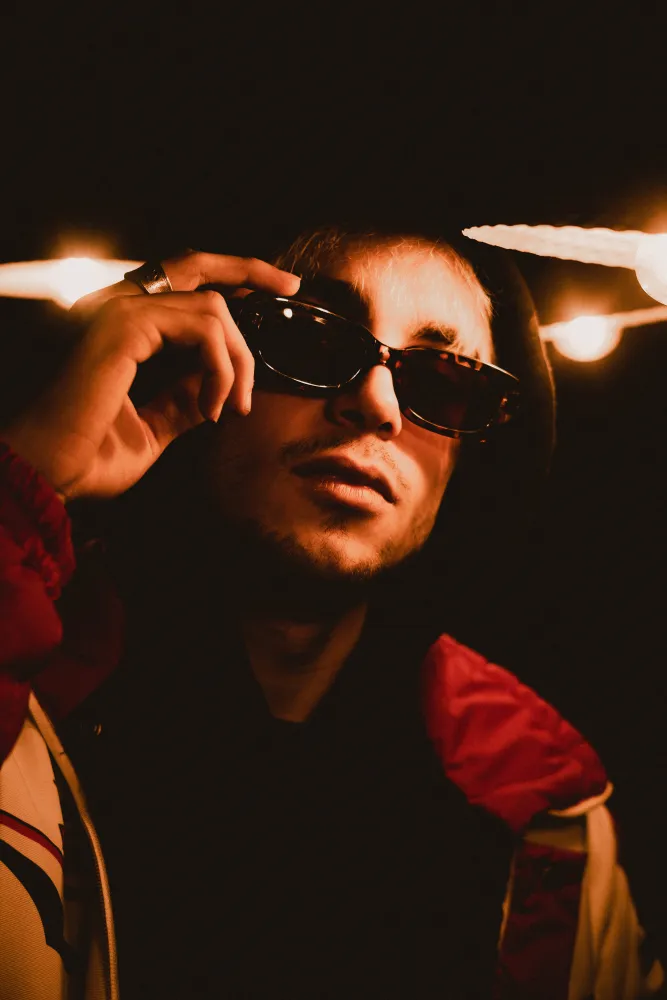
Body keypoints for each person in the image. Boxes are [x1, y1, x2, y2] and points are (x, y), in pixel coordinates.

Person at [0, 226, 663, 1000]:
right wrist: (23, 484)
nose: (375, 404)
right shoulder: (29, 700)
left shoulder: (542, 809)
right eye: (310, 339)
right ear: (191, 355)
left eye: (443, 380)